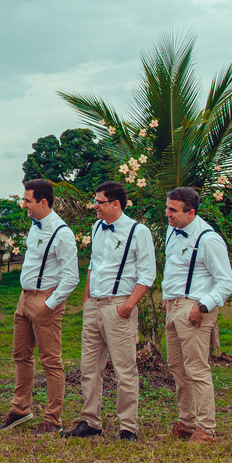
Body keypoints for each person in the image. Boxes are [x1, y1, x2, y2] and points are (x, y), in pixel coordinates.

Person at [64, 180, 155, 442]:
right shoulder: (97, 227)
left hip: (119, 305)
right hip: (95, 305)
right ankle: (90, 421)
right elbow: (94, 263)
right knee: (89, 367)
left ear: (116, 203)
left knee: (125, 369)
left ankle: (128, 427)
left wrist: (127, 306)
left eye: (99, 202)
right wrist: (86, 299)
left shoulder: (138, 232)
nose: (95, 206)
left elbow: (147, 274)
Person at [0, 179, 79, 435]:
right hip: (24, 298)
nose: (24, 204)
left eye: (27, 200)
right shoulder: (34, 227)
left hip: (46, 300)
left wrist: (49, 305)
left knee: (51, 362)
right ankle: (20, 410)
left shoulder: (62, 233)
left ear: (43, 202)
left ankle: (53, 420)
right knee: (20, 355)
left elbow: (71, 276)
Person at [161, 186, 232, 444]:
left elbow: (226, 282)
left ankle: (207, 428)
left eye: (173, 210)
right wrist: (166, 297)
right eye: (167, 208)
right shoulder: (172, 230)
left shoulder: (208, 239)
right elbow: (173, 268)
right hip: (173, 306)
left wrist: (202, 307)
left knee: (197, 369)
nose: (167, 214)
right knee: (177, 368)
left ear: (191, 213)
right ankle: (187, 422)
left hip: (195, 307)